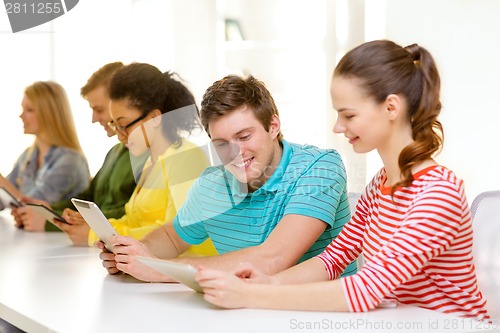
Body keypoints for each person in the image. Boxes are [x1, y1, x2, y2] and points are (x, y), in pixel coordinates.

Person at [194, 40, 491, 322]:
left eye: (348, 115)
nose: (338, 127)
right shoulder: (379, 185)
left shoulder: (438, 192)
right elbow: (332, 259)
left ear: (391, 108)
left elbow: (366, 290)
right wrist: (270, 282)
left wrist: (254, 295)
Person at [97, 74, 357, 282]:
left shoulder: (320, 168)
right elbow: (171, 237)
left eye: (244, 137)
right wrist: (132, 256)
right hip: (241, 312)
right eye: (221, 143)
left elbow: (272, 259)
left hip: (320, 315)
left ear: (273, 126)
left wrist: (158, 268)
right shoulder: (212, 184)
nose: (236, 152)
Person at [53, 62, 217, 256]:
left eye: (123, 125)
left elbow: (178, 237)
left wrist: (94, 236)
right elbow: (135, 222)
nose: (120, 135)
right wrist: (95, 226)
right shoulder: (152, 162)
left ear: (154, 118)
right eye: (114, 125)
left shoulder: (186, 159)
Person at [11, 62, 140, 236]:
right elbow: (89, 199)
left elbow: (132, 214)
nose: (94, 119)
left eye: (99, 109)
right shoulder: (115, 152)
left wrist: (52, 220)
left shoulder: (147, 156)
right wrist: (48, 212)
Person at [0, 81, 90, 229]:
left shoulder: (70, 161)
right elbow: (3, 200)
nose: (21, 115)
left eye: (29, 110)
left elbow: (34, 207)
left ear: (49, 114)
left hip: (62, 246)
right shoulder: (28, 156)